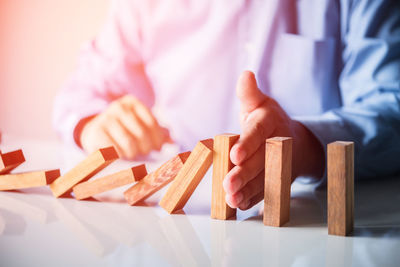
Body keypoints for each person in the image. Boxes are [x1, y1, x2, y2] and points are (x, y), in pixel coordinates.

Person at [54, 0, 400, 210]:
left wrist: (306, 145)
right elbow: (81, 92)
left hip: (316, 220)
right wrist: (92, 123)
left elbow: (391, 104)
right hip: (181, 226)